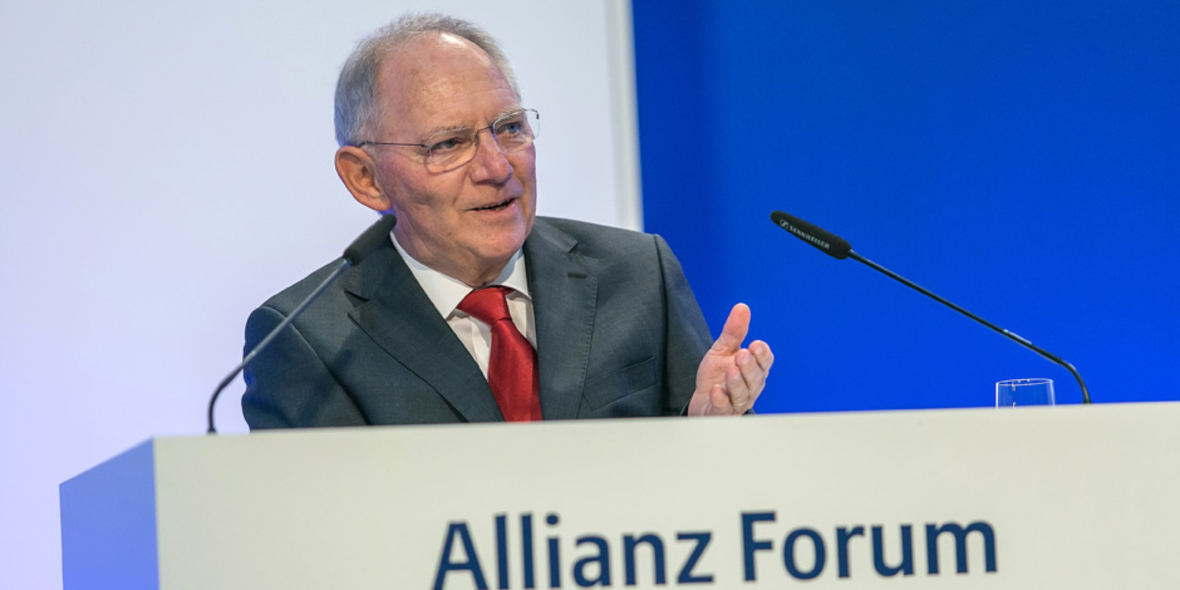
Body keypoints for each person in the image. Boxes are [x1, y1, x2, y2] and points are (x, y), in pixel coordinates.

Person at [241, 13, 773, 428]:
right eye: (448, 144)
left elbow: (719, 498)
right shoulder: (306, 340)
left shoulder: (637, 275)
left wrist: (708, 431)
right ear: (366, 178)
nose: (497, 168)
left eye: (511, 128)